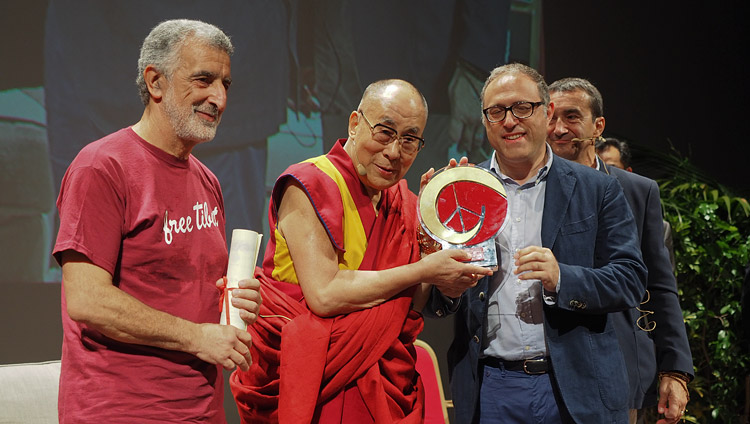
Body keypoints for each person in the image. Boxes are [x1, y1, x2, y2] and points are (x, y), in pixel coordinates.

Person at [229, 79, 492, 423]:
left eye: (409, 140)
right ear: (354, 124)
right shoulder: (308, 183)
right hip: (311, 377)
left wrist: (431, 239)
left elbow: (408, 304)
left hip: (383, 384)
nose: (394, 152)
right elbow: (324, 295)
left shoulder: (404, 202)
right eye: (384, 132)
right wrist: (425, 270)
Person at [53, 20, 262, 423]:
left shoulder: (208, 181)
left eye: (226, 84)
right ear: (155, 82)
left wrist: (235, 302)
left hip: (201, 410)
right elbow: (87, 299)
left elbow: (190, 291)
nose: (218, 98)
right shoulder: (102, 166)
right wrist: (197, 337)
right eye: (203, 80)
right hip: (121, 411)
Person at [426, 63, 647, 423]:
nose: (509, 120)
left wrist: (563, 278)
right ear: (485, 122)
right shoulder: (461, 192)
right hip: (491, 385)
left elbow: (631, 279)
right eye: (496, 111)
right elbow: (437, 301)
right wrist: (446, 283)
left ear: (547, 113)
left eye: (522, 108)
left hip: (577, 387)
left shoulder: (597, 188)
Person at [547, 77, 693, 424]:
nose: (558, 129)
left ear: (598, 126)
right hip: (547, 363)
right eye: (550, 117)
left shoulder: (637, 191)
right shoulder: (530, 189)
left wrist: (675, 368)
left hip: (619, 365)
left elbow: (659, 285)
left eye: (571, 117)